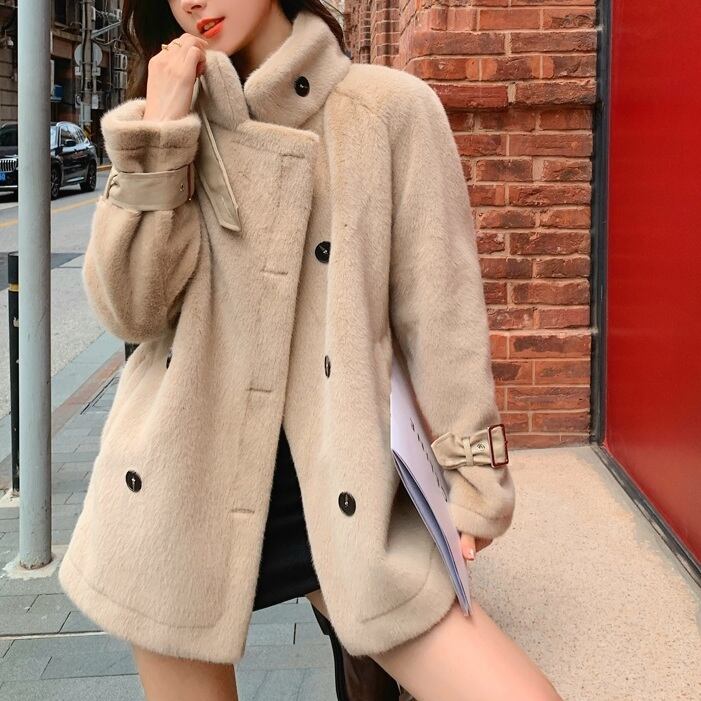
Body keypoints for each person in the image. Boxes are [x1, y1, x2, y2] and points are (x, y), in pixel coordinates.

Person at [58, 1, 564, 700]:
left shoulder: (386, 110)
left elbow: (441, 312)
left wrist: (472, 475)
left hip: (339, 486)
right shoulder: (171, 121)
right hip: (180, 488)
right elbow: (131, 310)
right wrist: (162, 134)